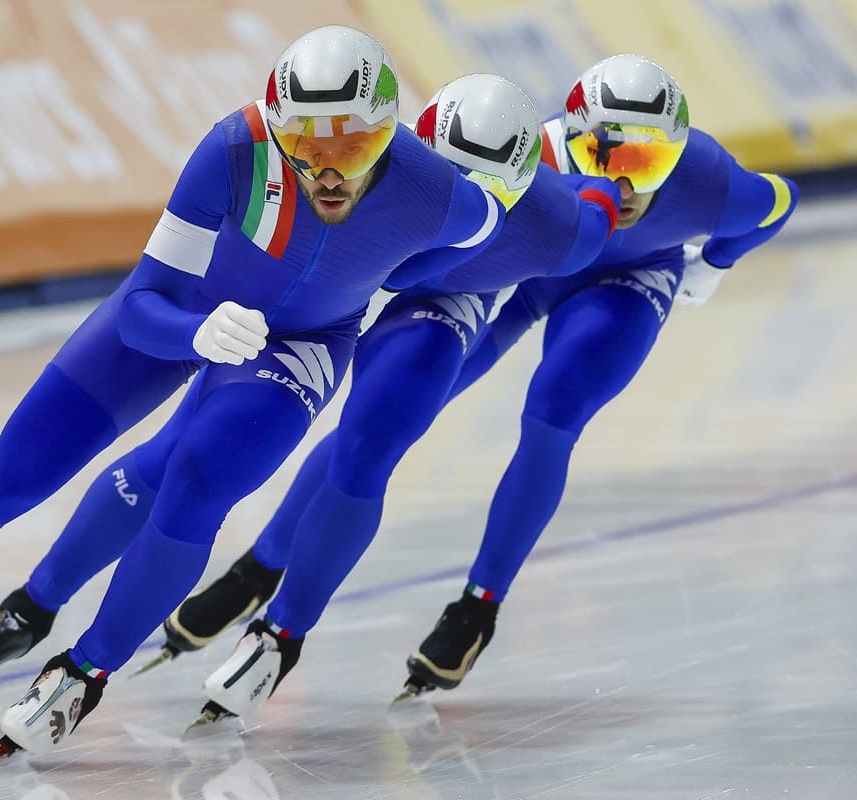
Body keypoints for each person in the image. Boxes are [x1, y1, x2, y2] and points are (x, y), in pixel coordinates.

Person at [0, 25, 508, 757]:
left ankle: (84, 670)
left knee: (195, 481)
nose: (328, 166)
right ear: (275, 125)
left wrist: (381, 286)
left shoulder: (439, 190)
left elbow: (483, 238)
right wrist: (195, 334)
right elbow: (141, 304)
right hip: (182, 315)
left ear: (391, 130)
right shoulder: (234, 151)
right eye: (305, 140)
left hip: (299, 348)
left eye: (354, 142)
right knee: (12, 474)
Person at [0, 74, 625, 726]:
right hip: (324, 303)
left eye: (487, 193)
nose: (454, 204)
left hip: (445, 302)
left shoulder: (552, 227)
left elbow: (612, 227)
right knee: (174, 458)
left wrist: (688, 244)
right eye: (446, 177)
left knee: (371, 443)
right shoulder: (369, 166)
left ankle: (284, 628)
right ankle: (37, 605)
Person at [175, 53, 799, 712]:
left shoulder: (709, 180)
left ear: (678, 156)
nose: (623, 181)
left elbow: (774, 203)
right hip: (512, 276)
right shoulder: (533, 176)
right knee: (381, 420)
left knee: (555, 409)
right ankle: (265, 562)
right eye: (604, 154)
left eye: (646, 163)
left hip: (629, 278)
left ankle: (478, 607)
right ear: (570, 139)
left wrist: (715, 262)